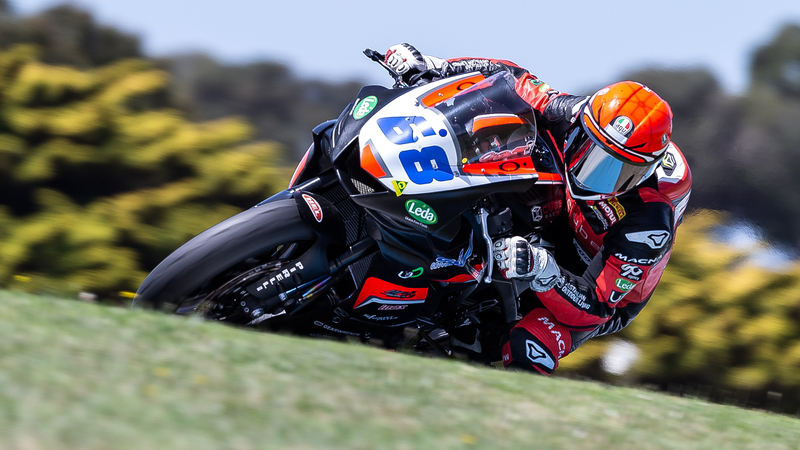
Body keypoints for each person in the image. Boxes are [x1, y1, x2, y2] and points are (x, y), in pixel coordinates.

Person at [385, 43, 692, 375]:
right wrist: (435, 66)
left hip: (592, 284)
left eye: (616, 170)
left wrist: (544, 269)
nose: (593, 175)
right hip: (559, 217)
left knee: (526, 350)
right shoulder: (570, 111)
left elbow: (599, 305)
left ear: (642, 172)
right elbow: (507, 76)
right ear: (583, 124)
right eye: (589, 151)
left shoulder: (647, 224)